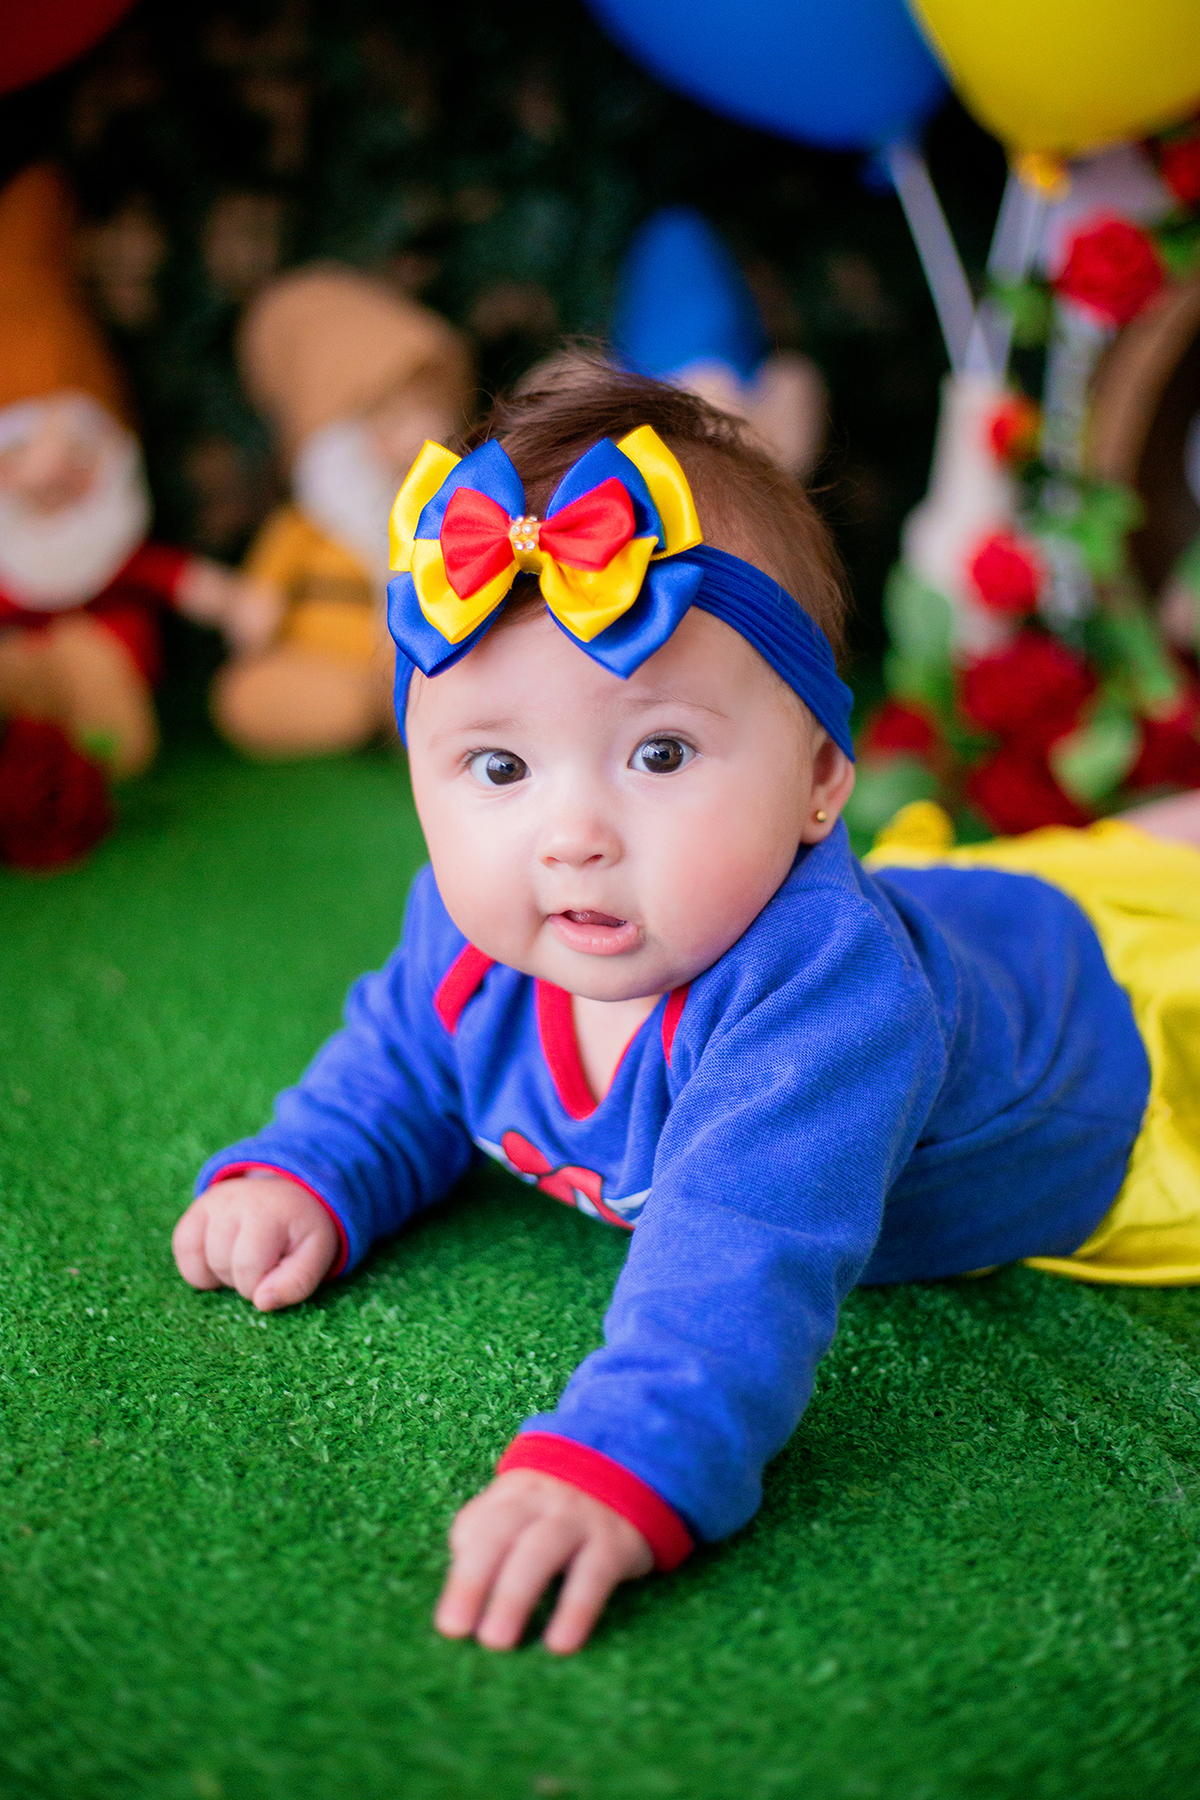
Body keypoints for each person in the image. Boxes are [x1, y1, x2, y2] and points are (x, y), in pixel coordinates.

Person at [172, 367, 1200, 1657]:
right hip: (979, 922)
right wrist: (313, 1166)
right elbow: (399, 1062)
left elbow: (743, 1252)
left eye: (659, 754)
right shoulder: (471, 927)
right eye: (498, 767)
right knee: (1084, 868)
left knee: (1152, 905)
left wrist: (624, 1460)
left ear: (822, 776)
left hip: (1089, 1054)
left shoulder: (822, 1000)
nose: (572, 838)